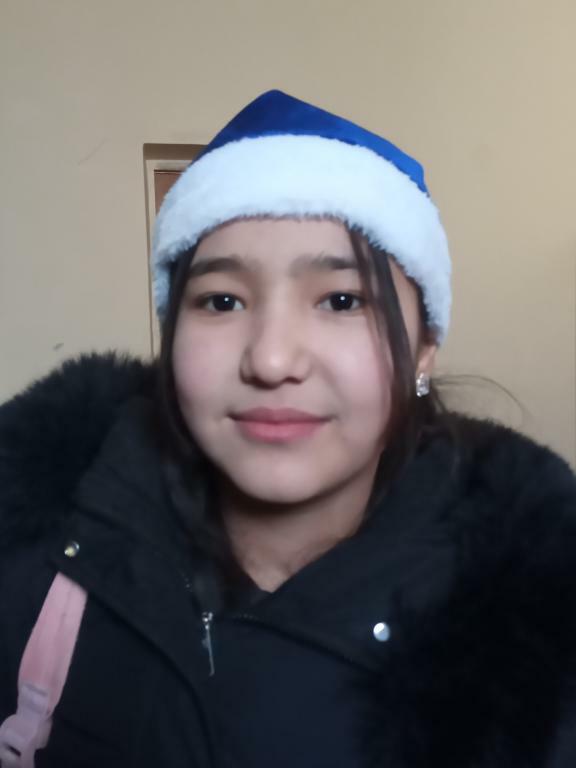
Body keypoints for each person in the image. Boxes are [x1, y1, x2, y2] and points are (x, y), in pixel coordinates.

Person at [0, 90, 575, 768]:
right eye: (222, 300)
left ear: (425, 349)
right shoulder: (35, 556)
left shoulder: (539, 630)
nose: (271, 360)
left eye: (341, 300)